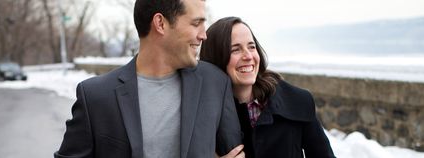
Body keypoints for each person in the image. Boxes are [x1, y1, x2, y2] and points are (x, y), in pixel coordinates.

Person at [54, 1, 244, 158]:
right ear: (160, 24)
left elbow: (236, 152)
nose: (203, 34)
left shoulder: (216, 84)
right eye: (196, 24)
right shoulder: (95, 96)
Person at [200, 16, 336, 158]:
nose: (248, 56)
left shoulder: (298, 101)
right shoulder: (203, 117)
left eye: (251, 47)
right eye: (235, 49)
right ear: (216, 59)